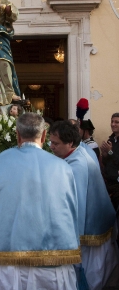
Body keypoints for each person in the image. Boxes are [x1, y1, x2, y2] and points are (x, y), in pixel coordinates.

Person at [0, 113, 81, 290]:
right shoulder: (63, 167)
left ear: (17, 135)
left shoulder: (1, 161)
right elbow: (71, 210)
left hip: (10, 260)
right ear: (44, 135)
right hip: (53, 261)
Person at [50, 120, 118, 290]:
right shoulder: (81, 150)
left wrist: (72, 242)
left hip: (89, 228)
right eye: (51, 142)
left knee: (89, 276)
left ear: (70, 142)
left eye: (55, 143)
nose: (51, 147)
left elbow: (76, 205)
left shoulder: (77, 167)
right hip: (100, 221)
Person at [100, 112, 119, 210]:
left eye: (116, 122)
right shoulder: (110, 140)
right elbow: (107, 163)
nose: (113, 124)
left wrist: (110, 152)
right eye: (112, 121)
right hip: (109, 183)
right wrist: (105, 155)